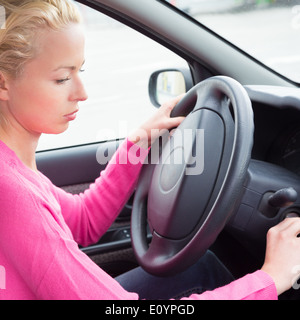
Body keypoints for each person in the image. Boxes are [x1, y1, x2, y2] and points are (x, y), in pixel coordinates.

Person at [0, 0, 300, 300]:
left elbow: (82, 222)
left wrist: (138, 143)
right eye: (62, 78)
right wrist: (271, 278)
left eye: (80, 71)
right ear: (3, 83)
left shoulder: (14, 169)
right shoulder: (13, 194)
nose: (82, 93)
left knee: (202, 268)